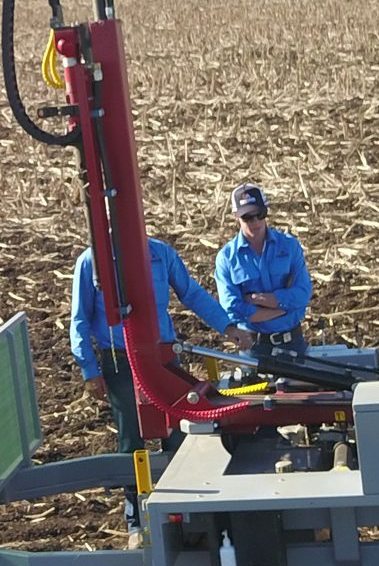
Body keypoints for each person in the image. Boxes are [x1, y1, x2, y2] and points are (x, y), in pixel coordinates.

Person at [69, 236, 244, 448]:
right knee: (131, 439)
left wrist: (227, 326)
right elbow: (80, 319)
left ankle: (178, 480)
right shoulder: (91, 262)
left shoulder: (161, 254)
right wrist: (90, 371)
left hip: (163, 358)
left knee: (177, 430)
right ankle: (132, 481)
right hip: (121, 361)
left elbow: (191, 293)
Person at [215, 182, 312, 353]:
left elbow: (303, 294)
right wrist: (283, 309)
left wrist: (255, 299)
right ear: (235, 217)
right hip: (254, 347)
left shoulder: (289, 246)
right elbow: (233, 309)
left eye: (260, 214)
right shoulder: (227, 258)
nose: (255, 222)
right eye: (247, 217)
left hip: (293, 342)